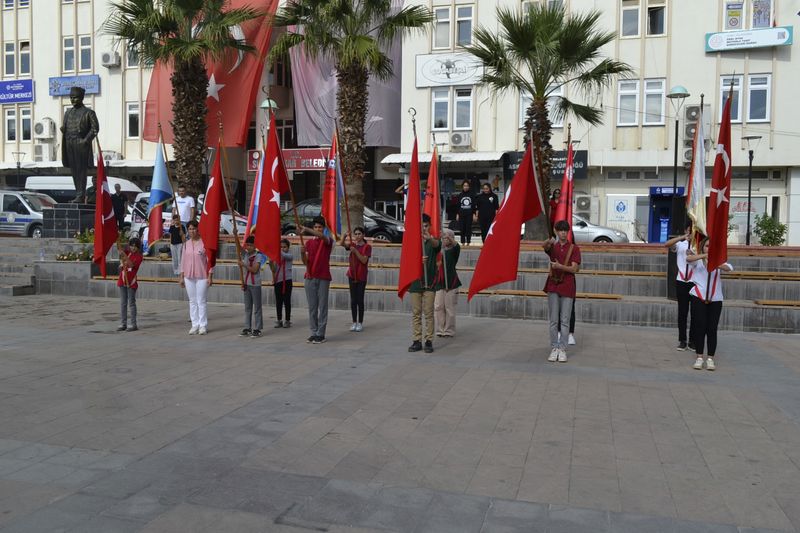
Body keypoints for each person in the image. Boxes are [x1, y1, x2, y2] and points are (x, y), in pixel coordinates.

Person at [687, 238, 733, 371]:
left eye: (711, 247)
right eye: (707, 246)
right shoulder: (698, 260)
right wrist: (705, 255)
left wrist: (714, 261)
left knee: (712, 329)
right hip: (699, 296)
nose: (709, 248)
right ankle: (699, 357)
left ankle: (710, 358)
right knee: (700, 327)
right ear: (702, 247)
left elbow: (729, 268)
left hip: (716, 299)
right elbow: (689, 259)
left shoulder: (719, 261)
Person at [543, 219, 581, 363]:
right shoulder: (554, 246)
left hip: (567, 286)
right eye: (561, 230)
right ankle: (554, 348)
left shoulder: (574, 248)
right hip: (553, 285)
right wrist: (550, 238)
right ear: (557, 232)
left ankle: (562, 349)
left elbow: (574, 268)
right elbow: (543, 246)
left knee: (564, 320)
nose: (563, 233)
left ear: (568, 232)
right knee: (553, 320)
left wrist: (560, 267)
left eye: (565, 230)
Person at [60, 86, 99, 204]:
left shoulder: (89, 113)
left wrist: (85, 141)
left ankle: (80, 195)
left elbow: (95, 128)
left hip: (81, 144)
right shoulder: (68, 112)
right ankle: (78, 193)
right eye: (71, 98)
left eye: (75, 98)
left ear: (81, 98)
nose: (73, 100)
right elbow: (65, 127)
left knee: (81, 171)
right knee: (74, 171)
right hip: (69, 143)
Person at [409, 214, 441, 353]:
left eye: (426, 225)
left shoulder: (433, 241)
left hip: (430, 282)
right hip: (416, 282)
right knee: (416, 312)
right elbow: (407, 262)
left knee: (428, 312)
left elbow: (437, 246)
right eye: (421, 226)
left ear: (430, 226)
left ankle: (429, 340)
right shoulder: (412, 241)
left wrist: (430, 238)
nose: (423, 228)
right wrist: (417, 262)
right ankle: (416, 340)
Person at [300, 216, 333, 344]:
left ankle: (321, 333)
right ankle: (313, 332)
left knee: (322, 306)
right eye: (316, 227)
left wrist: (306, 229)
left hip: (323, 277)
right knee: (312, 307)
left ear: (323, 229)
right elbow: (305, 262)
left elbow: (323, 237)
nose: (318, 229)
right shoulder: (308, 243)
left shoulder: (327, 240)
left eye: (320, 227)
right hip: (310, 277)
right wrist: (302, 253)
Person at [665, 222, 696, 351]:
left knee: (695, 313)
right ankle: (682, 340)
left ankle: (693, 340)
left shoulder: (699, 246)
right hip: (681, 281)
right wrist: (683, 237)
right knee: (682, 313)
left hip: (695, 282)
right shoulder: (680, 244)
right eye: (689, 230)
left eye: (694, 231)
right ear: (686, 230)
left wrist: (693, 254)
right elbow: (667, 244)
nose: (691, 233)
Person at [179, 220, 212, 335]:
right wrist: (181, 276)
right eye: (190, 229)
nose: (192, 231)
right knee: (192, 301)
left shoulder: (204, 243)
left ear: (198, 229)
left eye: (193, 228)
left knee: (201, 301)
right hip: (188, 276)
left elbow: (209, 261)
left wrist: (210, 276)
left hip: (202, 276)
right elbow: (183, 261)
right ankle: (195, 324)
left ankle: (203, 325)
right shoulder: (186, 244)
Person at [340, 226, 372, 332]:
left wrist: (355, 251)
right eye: (356, 234)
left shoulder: (367, 247)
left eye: (359, 234)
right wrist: (344, 236)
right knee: (353, 300)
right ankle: (354, 321)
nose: (357, 236)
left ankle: (360, 322)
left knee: (360, 300)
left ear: (363, 235)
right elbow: (341, 244)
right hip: (352, 275)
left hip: (361, 275)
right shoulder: (353, 245)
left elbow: (364, 260)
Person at [434, 228, 461, 337]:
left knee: (449, 308)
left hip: (451, 282)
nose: (445, 240)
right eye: (444, 238)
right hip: (440, 282)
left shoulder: (454, 250)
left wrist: (449, 237)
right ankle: (440, 329)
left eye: (447, 238)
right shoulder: (439, 251)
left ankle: (449, 330)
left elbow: (457, 246)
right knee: (439, 306)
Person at [238, 235, 267, 338]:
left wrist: (244, 265)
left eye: (251, 245)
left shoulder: (258, 256)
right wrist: (236, 236)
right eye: (247, 245)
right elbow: (239, 248)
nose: (248, 247)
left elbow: (254, 270)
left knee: (257, 307)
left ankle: (258, 328)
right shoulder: (245, 254)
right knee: (247, 307)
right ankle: (247, 327)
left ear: (255, 246)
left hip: (255, 284)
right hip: (247, 283)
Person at [116, 237, 143, 332]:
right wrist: (120, 252)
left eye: (135, 246)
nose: (133, 248)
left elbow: (131, 265)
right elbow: (121, 255)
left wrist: (124, 256)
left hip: (131, 282)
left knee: (131, 303)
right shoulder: (127, 252)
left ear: (138, 247)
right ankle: (123, 323)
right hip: (122, 280)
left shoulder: (139, 256)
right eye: (132, 246)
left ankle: (133, 324)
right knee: (123, 303)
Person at [270, 238, 294, 328]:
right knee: (278, 301)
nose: (282, 248)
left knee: (287, 301)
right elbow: (273, 269)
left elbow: (285, 255)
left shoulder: (289, 255)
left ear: (288, 247)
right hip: (278, 281)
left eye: (284, 247)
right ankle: (279, 319)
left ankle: (287, 320)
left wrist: (277, 250)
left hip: (287, 280)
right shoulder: (277, 257)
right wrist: (271, 262)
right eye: (280, 247)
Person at [457, 180, 475, 245]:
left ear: (469, 187)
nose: (466, 187)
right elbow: (458, 205)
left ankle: (468, 242)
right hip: (461, 214)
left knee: (468, 228)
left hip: (469, 214)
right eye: (464, 186)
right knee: (462, 228)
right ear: (462, 187)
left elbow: (473, 205)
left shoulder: (472, 195)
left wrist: (474, 214)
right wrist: (457, 214)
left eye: (467, 186)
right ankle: (462, 242)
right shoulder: (460, 195)